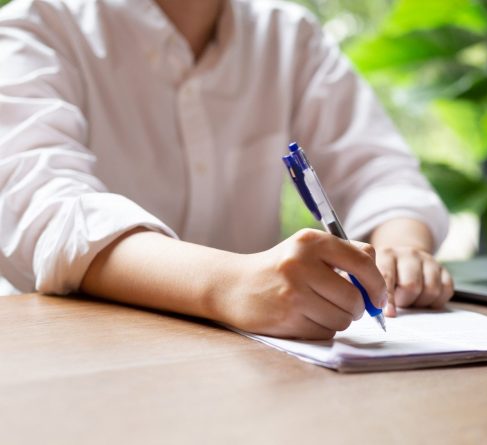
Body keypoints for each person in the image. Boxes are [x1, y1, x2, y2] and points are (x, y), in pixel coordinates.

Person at [0, 0, 453, 339]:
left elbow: (380, 170)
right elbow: (45, 208)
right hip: (87, 361)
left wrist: (400, 250)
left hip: (262, 368)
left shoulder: (288, 34)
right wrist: (230, 285)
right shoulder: (35, 28)